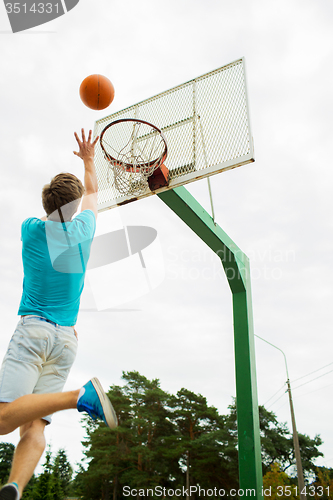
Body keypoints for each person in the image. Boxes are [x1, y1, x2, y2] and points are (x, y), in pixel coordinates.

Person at [0, 129, 117, 500]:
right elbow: (92, 196)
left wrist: (63, 193)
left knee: (2, 419)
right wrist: (87, 161)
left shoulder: (31, 230)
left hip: (34, 332)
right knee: (33, 425)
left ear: (48, 204)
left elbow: (63, 208)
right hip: (66, 340)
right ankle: (15, 488)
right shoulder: (84, 230)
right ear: (74, 205)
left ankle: (78, 397)